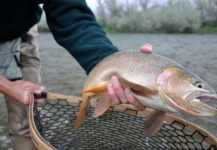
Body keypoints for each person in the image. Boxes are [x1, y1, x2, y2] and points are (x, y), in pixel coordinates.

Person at [0, 0, 152, 149]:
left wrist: (112, 64)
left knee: (26, 118)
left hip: (21, 30)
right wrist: (7, 86)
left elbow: (70, 11)